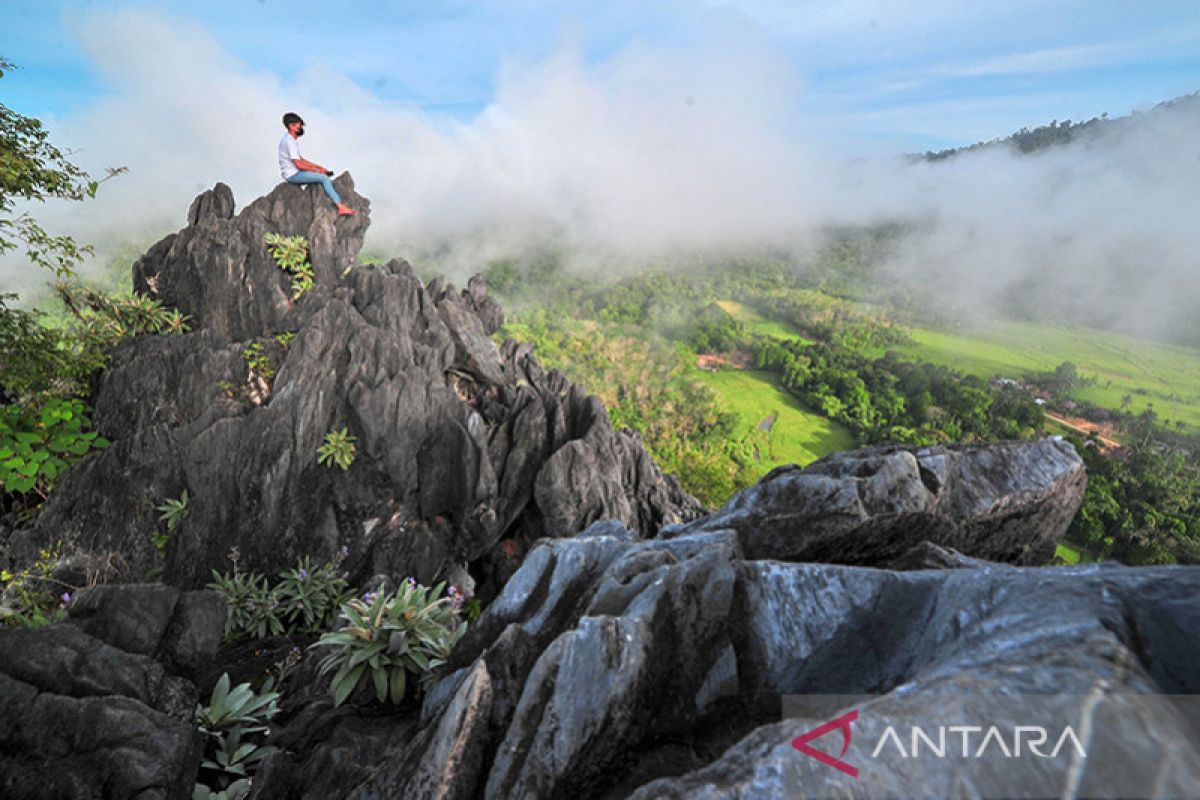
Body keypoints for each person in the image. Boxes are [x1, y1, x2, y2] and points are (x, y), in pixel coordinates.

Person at [278, 112, 357, 215]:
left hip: (295, 172)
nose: (300, 127)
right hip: (293, 175)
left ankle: (339, 204)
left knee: (322, 174)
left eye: (300, 124)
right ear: (291, 126)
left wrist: (319, 167)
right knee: (324, 178)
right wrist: (317, 171)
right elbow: (299, 165)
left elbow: (301, 159)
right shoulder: (289, 141)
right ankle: (341, 207)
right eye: (297, 125)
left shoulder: (292, 140)